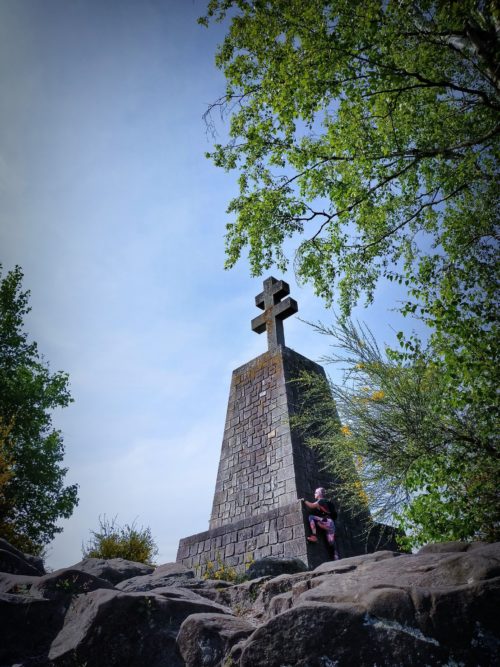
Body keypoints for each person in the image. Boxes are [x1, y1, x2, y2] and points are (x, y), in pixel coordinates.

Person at [300, 487, 339, 560]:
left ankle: (314, 536)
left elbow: (311, 505)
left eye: (316, 492)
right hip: (331, 524)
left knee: (311, 517)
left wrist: (304, 500)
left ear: (319, 494)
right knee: (331, 543)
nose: (314, 494)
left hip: (327, 521)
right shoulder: (327, 502)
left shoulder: (321, 501)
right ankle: (336, 559)